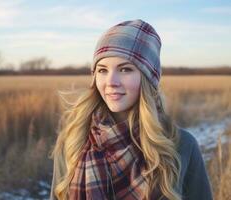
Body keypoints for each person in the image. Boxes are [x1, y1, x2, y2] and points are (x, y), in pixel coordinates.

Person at [49, 19, 213, 200]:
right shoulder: (73, 141)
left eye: (125, 69)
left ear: (147, 79)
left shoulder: (181, 145)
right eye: (102, 70)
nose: (111, 82)